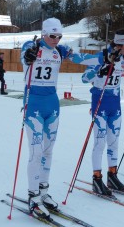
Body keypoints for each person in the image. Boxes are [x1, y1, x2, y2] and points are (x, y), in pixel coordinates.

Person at [21, 17, 99, 219]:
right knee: (36, 152)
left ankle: (43, 192)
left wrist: (105, 58)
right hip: (34, 105)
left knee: (48, 151)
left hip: (52, 104)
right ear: (44, 34)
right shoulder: (31, 46)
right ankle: (33, 196)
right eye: (52, 35)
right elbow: (25, 55)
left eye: (59, 36)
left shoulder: (60, 50)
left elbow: (81, 59)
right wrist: (28, 54)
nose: (56, 39)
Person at [81, 29, 124, 196]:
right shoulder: (102, 56)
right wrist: (100, 70)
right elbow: (84, 78)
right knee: (100, 142)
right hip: (100, 104)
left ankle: (112, 175)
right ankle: (97, 178)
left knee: (114, 142)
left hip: (115, 105)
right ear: (119, 44)